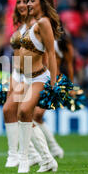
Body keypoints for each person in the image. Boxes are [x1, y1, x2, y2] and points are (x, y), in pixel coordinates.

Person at [17, 0, 60, 173]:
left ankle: (27, 159)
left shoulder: (43, 22)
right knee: (24, 114)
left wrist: (53, 83)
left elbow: (51, 52)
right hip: (28, 78)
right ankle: (47, 159)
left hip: (39, 77)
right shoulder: (33, 22)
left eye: (32, 0)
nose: (28, 4)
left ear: (43, 2)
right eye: (28, 0)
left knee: (25, 111)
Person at [3, 0, 42, 168]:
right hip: (16, 73)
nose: (21, 5)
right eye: (18, 2)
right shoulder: (21, 26)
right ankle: (25, 154)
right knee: (14, 113)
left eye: (24, 1)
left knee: (18, 112)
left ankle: (28, 154)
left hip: (29, 74)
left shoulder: (36, 24)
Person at [32, 28, 76, 160]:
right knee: (35, 116)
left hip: (55, 82)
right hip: (41, 79)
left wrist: (71, 86)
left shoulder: (64, 43)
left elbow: (69, 64)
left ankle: (49, 149)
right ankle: (54, 148)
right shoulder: (41, 37)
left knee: (37, 115)